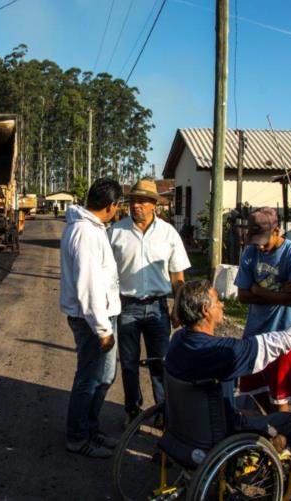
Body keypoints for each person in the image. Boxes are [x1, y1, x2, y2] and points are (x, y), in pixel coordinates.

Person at [166, 280, 291, 448]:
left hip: (184, 429)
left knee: (246, 401)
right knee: (290, 422)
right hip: (217, 432)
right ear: (205, 310)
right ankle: (273, 465)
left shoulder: (176, 341)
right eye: (218, 301)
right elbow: (286, 339)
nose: (222, 305)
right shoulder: (225, 351)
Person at [108, 179, 190, 427]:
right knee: (129, 364)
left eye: (143, 201)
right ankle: (133, 410)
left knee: (161, 363)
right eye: (133, 200)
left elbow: (178, 276)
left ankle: (164, 411)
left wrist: (178, 306)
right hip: (127, 306)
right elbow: (106, 274)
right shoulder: (116, 233)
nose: (137, 205)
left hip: (157, 308)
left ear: (154, 204)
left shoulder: (168, 234)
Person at [60, 178, 123, 458]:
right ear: (111, 206)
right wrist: (102, 329)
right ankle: (77, 437)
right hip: (93, 322)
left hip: (101, 317)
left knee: (105, 375)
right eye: (118, 205)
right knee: (89, 379)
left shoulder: (94, 229)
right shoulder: (85, 233)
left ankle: (89, 427)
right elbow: (88, 286)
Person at [235, 207, 291, 414]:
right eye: (255, 240)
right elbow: (242, 295)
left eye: (263, 240)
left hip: (283, 335)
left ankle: (285, 439)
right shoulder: (250, 252)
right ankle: (264, 434)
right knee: (252, 392)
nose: (259, 247)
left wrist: (258, 289)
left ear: (277, 231)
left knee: (280, 396)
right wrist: (278, 293)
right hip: (255, 334)